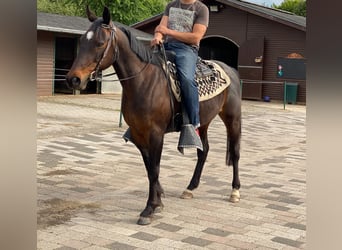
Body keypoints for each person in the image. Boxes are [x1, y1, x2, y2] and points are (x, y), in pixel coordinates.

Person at [151, 0, 209, 135]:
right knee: (144, 68)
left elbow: (195, 37)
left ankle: (194, 123)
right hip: (166, 47)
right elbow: (161, 29)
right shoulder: (171, 5)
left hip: (187, 49)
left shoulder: (201, 9)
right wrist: (158, 37)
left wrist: (168, 32)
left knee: (187, 79)